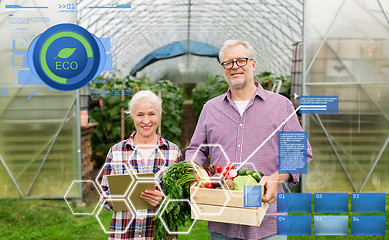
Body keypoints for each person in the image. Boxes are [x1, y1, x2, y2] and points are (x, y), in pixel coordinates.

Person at [186, 40, 313, 240]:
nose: (235, 66)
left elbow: (300, 153)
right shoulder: (210, 108)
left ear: (253, 65)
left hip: (268, 221)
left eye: (241, 60)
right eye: (228, 63)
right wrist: (194, 172)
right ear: (223, 70)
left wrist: (275, 178)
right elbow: (197, 149)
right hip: (223, 219)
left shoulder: (281, 105)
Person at [99, 90, 182, 240]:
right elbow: (103, 195)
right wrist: (114, 199)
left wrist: (164, 200)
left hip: (159, 235)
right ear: (132, 116)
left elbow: (182, 200)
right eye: (140, 114)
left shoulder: (173, 152)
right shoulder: (116, 151)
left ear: (159, 115)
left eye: (151, 114)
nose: (146, 120)